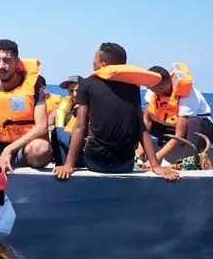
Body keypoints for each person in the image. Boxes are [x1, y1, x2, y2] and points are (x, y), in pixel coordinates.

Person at [54, 43, 179, 181]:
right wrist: (155, 166)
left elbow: (80, 126)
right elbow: (141, 128)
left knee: (57, 132)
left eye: (95, 56)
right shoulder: (133, 88)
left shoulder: (87, 84)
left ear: (103, 64)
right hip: (125, 164)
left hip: (95, 163)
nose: (93, 59)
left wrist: (69, 165)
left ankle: (64, 168)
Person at [0, 39, 52, 171]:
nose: (1, 66)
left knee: (41, 148)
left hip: (24, 148)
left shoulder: (33, 86)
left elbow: (42, 127)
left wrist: (8, 150)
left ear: (16, 62)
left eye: (7, 60)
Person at [143, 64, 213, 167]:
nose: (147, 88)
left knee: (194, 122)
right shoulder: (152, 90)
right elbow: (147, 121)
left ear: (162, 87)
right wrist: (141, 149)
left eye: (150, 87)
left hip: (198, 132)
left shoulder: (188, 97)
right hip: (170, 130)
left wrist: (155, 160)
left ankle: (189, 164)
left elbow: (180, 135)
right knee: (136, 115)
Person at [51, 77, 81, 165]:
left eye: (77, 91)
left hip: (80, 144)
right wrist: (55, 111)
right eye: (70, 91)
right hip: (68, 141)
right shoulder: (66, 104)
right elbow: (50, 122)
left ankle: (61, 164)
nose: (74, 94)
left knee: (56, 132)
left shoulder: (87, 105)